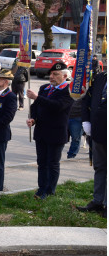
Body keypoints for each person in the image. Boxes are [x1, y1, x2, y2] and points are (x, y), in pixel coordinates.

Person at [26, 62, 73, 199]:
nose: (51, 77)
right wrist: (33, 118)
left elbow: (57, 106)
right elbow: (36, 107)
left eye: (55, 74)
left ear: (64, 76)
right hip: (41, 131)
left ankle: (50, 190)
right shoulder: (44, 88)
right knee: (42, 162)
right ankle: (41, 189)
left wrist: (37, 98)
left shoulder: (68, 91)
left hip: (56, 133)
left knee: (52, 163)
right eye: (51, 74)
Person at [77, 70, 107, 217]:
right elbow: (87, 100)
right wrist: (85, 120)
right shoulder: (101, 77)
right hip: (98, 131)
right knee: (100, 167)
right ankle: (98, 201)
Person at [66, 95, 84, 159]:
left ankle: (71, 155)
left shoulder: (86, 88)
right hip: (66, 116)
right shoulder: (68, 87)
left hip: (78, 116)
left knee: (76, 138)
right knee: (61, 137)